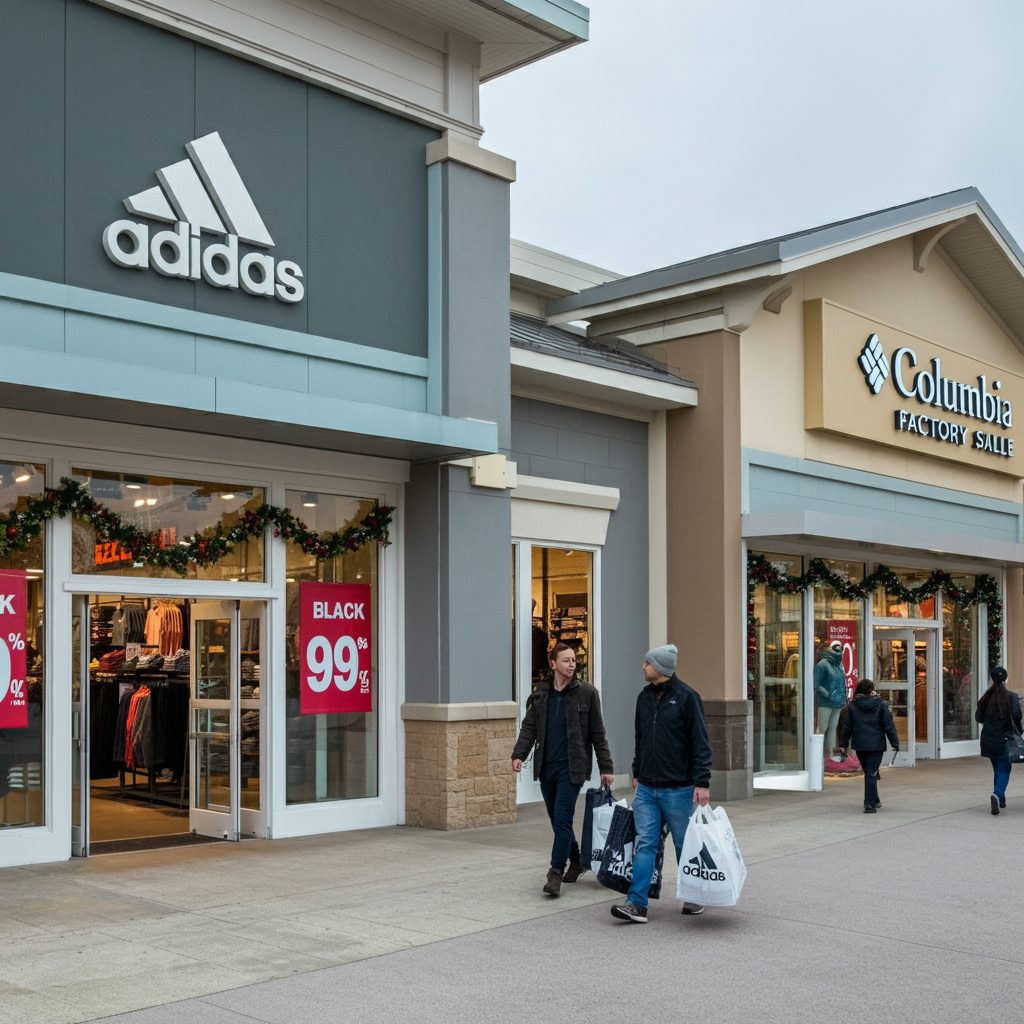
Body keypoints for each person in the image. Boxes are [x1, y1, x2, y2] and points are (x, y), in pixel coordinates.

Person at [610, 644, 712, 924]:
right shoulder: (643, 698)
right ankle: (637, 904)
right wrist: (637, 769)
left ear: (661, 668)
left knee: (684, 844)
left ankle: (695, 895)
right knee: (645, 844)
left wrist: (702, 782)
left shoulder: (688, 698)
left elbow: (700, 743)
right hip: (647, 789)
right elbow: (640, 736)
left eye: (647, 663)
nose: (643, 667)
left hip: (678, 789)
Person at [511, 642, 614, 897]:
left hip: (573, 768)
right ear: (553, 663)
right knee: (557, 822)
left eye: (573, 660)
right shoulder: (540, 694)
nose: (572, 664)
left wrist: (606, 766)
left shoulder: (587, 694)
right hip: (547, 767)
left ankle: (555, 872)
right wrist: (518, 754)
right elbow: (529, 727)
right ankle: (577, 859)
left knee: (563, 818)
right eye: (566, 660)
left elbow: (598, 733)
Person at [837, 679, 899, 813]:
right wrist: (895, 742)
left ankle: (875, 799)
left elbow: (847, 727)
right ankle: (869, 803)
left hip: (860, 745)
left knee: (869, 772)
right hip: (876, 745)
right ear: (871, 690)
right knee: (871, 772)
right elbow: (888, 725)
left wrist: (843, 743)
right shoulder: (881, 704)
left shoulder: (853, 706)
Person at [974, 665, 1022, 816]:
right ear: (1005, 679)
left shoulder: (985, 697)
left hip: (988, 738)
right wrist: (1019, 732)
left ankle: (1001, 799)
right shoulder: (1012, 697)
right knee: (1004, 769)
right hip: (1005, 738)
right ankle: (997, 793)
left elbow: (978, 718)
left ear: (992, 679)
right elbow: (1017, 717)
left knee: (997, 768)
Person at [814, 639, 847, 758]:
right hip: (826, 702)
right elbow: (816, 684)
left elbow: (841, 683)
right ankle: (817, 755)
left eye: (841, 649)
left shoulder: (839, 666)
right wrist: (827, 694)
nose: (840, 652)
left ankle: (832, 754)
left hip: (837, 701)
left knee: (833, 727)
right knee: (822, 728)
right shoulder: (822, 665)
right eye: (837, 649)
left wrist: (843, 697)